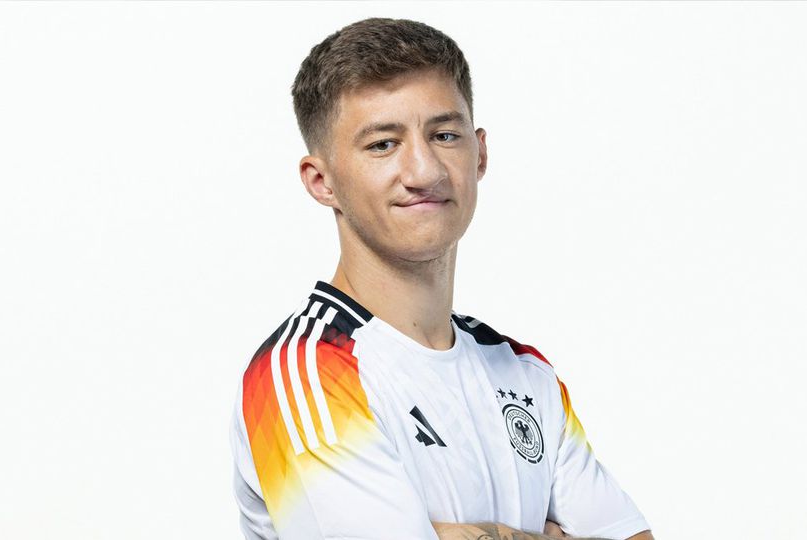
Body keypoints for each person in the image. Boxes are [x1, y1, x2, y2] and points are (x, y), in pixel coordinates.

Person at [229, 17, 653, 540]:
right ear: (322, 182)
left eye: (445, 135)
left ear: (480, 154)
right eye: (383, 144)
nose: (424, 171)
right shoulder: (305, 374)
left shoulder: (525, 373)